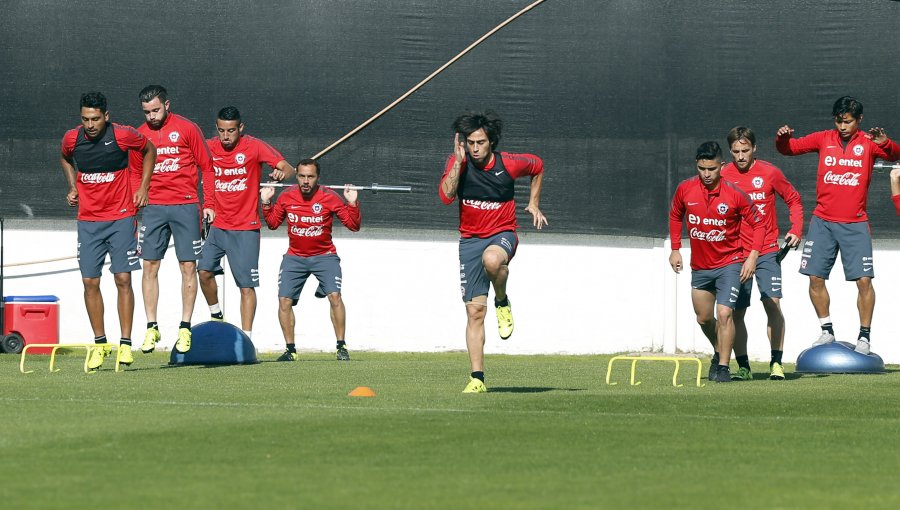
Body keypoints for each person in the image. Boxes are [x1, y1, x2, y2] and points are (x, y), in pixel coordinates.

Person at [776, 96, 900, 355]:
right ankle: (826, 330)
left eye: (848, 121)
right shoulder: (823, 138)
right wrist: (783, 139)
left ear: (859, 120)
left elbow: (896, 155)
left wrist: (885, 143)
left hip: (855, 223)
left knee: (864, 281)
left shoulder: (868, 142)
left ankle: (864, 337)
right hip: (823, 222)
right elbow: (790, 149)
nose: (843, 126)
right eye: (839, 121)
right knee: (814, 277)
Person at [439, 111, 548, 394]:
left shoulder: (509, 164)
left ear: (491, 142)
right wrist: (458, 164)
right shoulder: (458, 163)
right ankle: (477, 378)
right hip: (469, 241)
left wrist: (534, 202)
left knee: (492, 260)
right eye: (470, 142)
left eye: (480, 142)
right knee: (474, 312)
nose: (474, 148)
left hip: (503, 234)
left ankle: (502, 300)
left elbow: (537, 166)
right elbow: (446, 196)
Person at [60, 92, 156, 370]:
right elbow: (65, 158)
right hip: (88, 221)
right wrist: (72, 186)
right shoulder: (72, 138)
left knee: (123, 278)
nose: (90, 124)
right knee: (90, 282)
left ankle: (125, 345)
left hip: (121, 218)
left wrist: (143, 187)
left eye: (95, 119)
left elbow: (150, 150)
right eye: (85, 119)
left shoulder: (123, 135)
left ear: (106, 116)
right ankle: (100, 344)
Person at [669, 141, 765, 383]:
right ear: (697, 166)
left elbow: (759, 224)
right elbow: (675, 215)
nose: (707, 174)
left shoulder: (734, 194)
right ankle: (719, 349)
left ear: (721, 166)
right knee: (703, 318)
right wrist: (675, 249)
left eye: (711, 169)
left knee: (725, 314)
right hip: (700, 267)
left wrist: (752, 256)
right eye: (702, 168)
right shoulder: (685, 189)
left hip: (729, 264)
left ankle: (722, 367)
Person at [129, 85, 216, 355]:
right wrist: (134, 208)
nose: (151, 116)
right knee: (149, 266)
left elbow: (207, 167)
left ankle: (184, 328)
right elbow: (133, 172)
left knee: (188, 266)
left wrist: (209, 204)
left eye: (156, 110)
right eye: (146, 112)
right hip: (154, 208)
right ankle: (151, 327)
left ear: (167, 105)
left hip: (185, 206)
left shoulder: (188, 128)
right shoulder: (139, 135)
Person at [198, 106, 295, 339]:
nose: (226, 136)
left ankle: (246, 338)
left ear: (241, 128)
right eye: (221, 130)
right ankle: (216, 314)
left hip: (245, 229)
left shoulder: (254, 146)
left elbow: (289, 168)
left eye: (231, 130)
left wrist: (282, 173)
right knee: (203, 272)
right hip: (218, 226)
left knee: (246, 286)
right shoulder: (209, 147)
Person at [721, 126, 803, 381]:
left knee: (773, 304)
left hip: (767, 250)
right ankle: (743, 367)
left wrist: (796, 229)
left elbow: (794, 199)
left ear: (754, 148)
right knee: (736, 312)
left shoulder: (769, 172)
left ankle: (776, 364)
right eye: (736, 151)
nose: (741, 156)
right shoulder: (723, 174)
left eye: (745, 150)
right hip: (736, 253)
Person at [261, 159, 361, 361]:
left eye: (310, 177)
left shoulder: (329, 197)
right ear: (297, 175)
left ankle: (341, 347)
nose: (306, 181)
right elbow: (272, 224)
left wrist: (352, 203)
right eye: (302, 176)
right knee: (284, 301)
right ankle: (290, 351)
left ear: (318, 178)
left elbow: (353, 225)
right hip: (295, 257)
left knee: (335, 296)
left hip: (324, 256)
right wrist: (266, 202)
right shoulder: (287, 195)